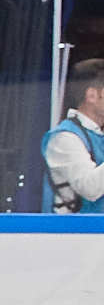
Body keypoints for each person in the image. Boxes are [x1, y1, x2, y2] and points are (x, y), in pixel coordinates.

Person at [43, 59, 104, 212]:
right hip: (75, 233)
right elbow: (90, 188)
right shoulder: (64, 138)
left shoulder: (98, 135)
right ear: (92, 95)